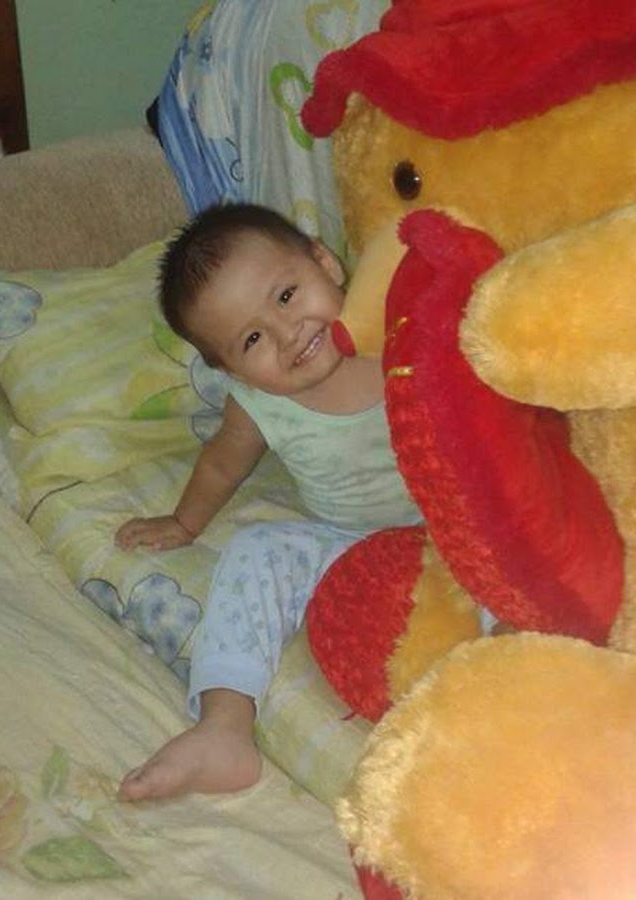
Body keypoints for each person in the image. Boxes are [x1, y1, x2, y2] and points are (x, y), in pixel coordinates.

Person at [114, 203, 423, 801]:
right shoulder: (261, 403)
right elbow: (221, 462)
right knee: (257, 548)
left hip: (462, 525)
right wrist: (183, 521)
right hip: (353, 551)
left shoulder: (400, 325)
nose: (289, 334)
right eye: (252, 339)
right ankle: (224, 728)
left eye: (286, 296)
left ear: (325, 263)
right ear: (231, 370)